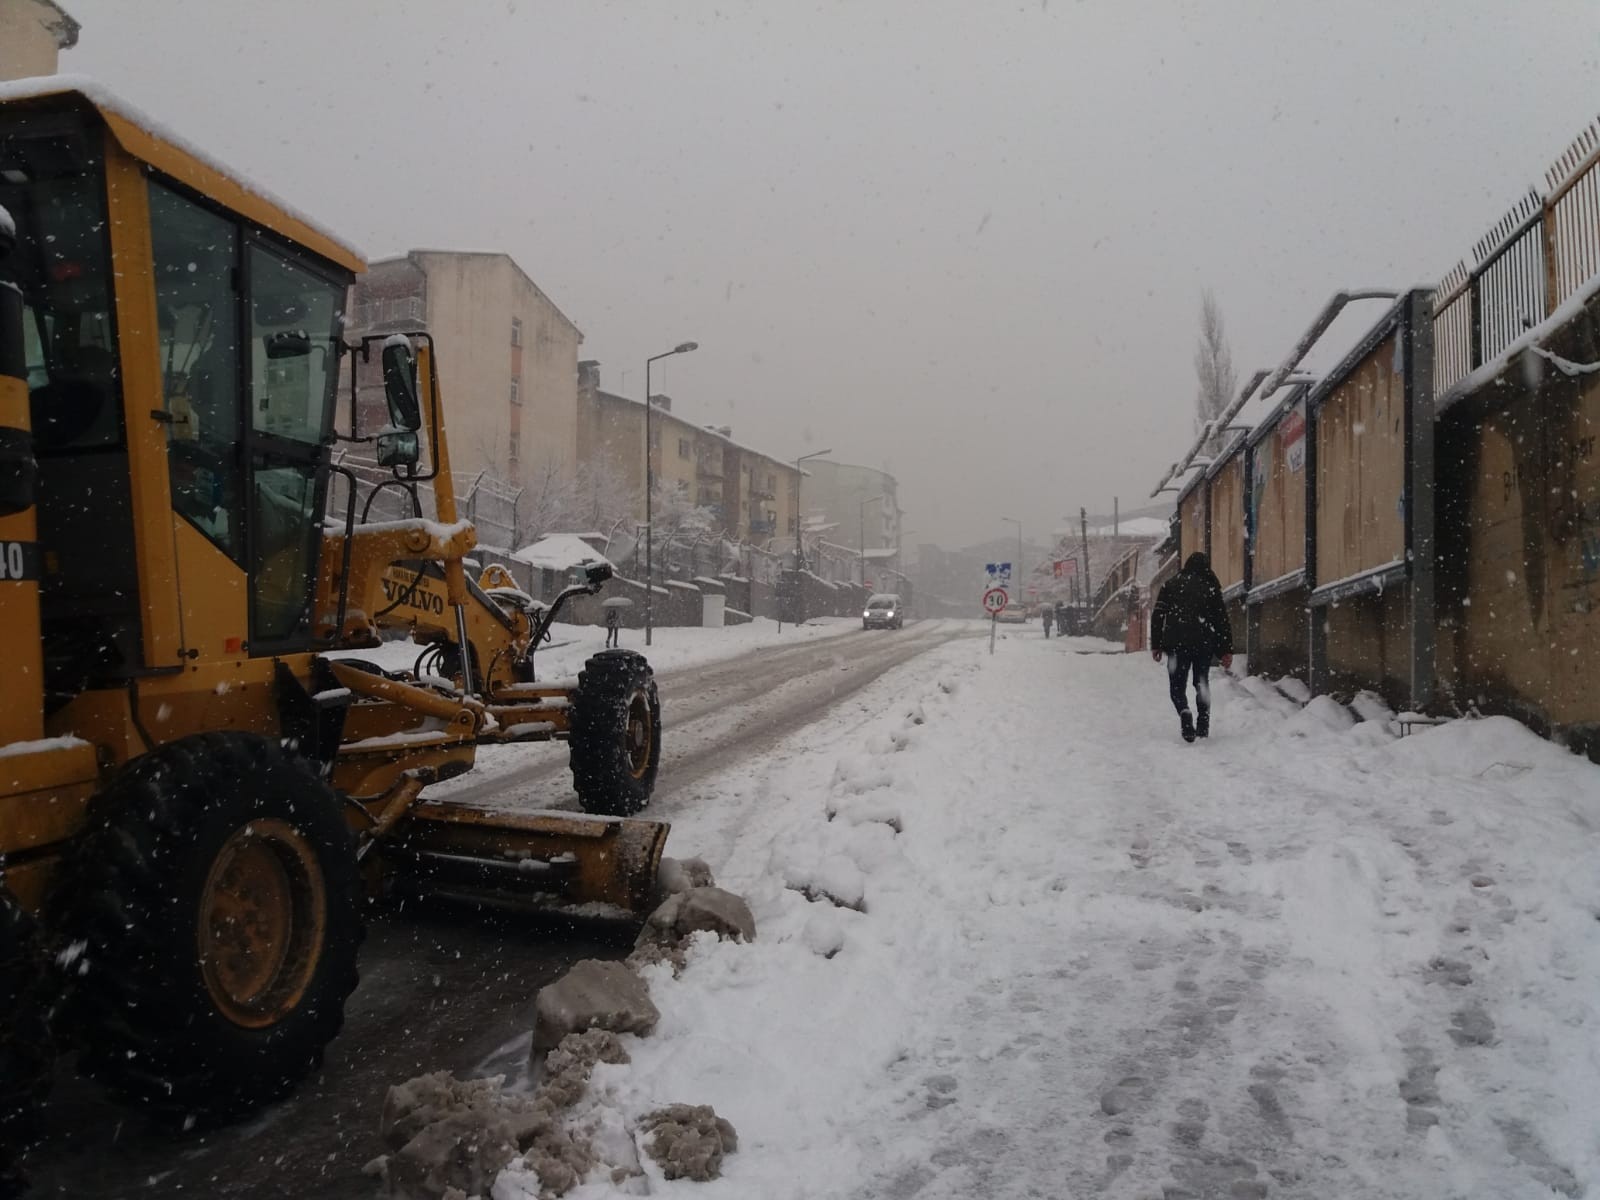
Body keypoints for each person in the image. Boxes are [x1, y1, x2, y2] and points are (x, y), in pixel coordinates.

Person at [1150, 551, 1234, 743]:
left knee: (1177, 686)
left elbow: (1158, 615)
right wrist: (1225, 650)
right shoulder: (1210, 586)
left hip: (1176, 644)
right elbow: (1221, 619)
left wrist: (1156, 644)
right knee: (1201, 682)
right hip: (1203, 644)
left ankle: (1184, 711)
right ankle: (1203, 725)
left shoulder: (1171, 584)